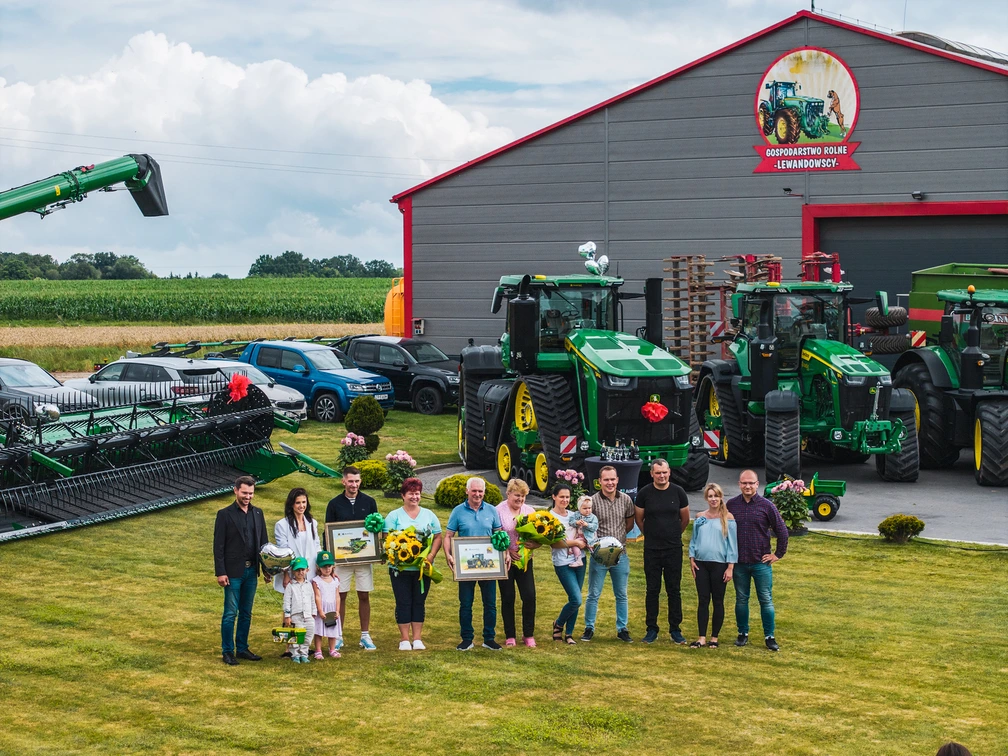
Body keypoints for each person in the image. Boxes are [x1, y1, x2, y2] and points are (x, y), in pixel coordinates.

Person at [444, 477, 508, 651]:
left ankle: (489, 638)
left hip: (489, 566)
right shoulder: (458, 511)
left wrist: (506, 554)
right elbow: (449, 536)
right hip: (466, 567)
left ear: (484, 492)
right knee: (466, 603)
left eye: (480, 491)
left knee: (490, 604)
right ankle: (467, 638)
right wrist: (448, 555)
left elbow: (500, 535)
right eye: (474, 491)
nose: (477, 494)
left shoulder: (492, 511)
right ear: (467, 491)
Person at [727, 469, 788, 652]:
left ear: (757, 484)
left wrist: (778, 554)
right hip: (739, 563)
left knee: (766, 600)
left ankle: (769, 636)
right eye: (744, 483)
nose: (747, 486)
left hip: (761, 563)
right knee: (741, 599)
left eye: (751, 483)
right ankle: (742, 633)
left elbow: (782, 530)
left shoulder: (766, 505)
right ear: (739, 484)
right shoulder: (731, 505)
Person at [634, 458, 691, 645]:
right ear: (651, 474)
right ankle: (651, 629)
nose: (661, 476)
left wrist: (672, 534)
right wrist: (651, 535)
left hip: (673, 548)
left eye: (664, 472)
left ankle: (675, 629)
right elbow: (639, 520)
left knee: (674, 590)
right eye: (658, 473)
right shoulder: (644, 493)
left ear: (669, 472)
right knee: (652, 590)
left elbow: (684, 519)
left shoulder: (679, 492)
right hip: (652, 549)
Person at [213, 475, 268, 666]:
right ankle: (227, 651)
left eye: (251, 493)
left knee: (246, 612)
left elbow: (264, 545)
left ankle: (242, 648)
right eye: (244, 493)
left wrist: (267, 570)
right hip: (232, 572)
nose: (248, 497)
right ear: (235, 490)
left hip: (252, 571)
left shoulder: (258, 514)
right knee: (230, 613)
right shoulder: (225, 514)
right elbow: (218, 546)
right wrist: (221, 572)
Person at [383, 477, 443, 651]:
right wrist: (399, 556)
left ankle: (417, 638)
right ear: (403, 495)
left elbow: (438, 536)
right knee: (403, 602)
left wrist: (430, 556)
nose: (414, 497)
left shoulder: (429, 515)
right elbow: (387, 539)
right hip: (399, 569)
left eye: (417, 493)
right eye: (411, 493)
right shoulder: (394, 516)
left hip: (421, 568)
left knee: (419, 601)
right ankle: (404, 639)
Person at [325, 466, 379, 651]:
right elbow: (328, 533)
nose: (354, 484)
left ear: (360, 481)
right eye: (350, 481)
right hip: (342, 559)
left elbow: (375, 530)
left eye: (357, 481)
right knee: (340, 596)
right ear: (343, 481)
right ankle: (338, 635)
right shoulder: (334, 504)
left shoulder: (369, 502)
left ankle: (365, 635)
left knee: (364, 594)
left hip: (364, 559)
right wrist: (329, 561)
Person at [582, 465, 635, 643]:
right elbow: (588, 526)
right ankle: (589, 627)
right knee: (593, 593)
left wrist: (617, 541)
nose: (610, 483)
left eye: (613, 479)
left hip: (621, 554)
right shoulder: (593, 501)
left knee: (621, 594)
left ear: (617, 480)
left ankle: (622, 628)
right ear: (600, 481)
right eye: (606, 479)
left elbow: (629, 524)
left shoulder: (626, 500)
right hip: (600, 556)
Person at [688, 482, 738, 648]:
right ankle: (701, 636)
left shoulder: (728, 518)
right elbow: (694, 540)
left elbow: (732, 544)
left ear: (721, 497)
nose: (713, 499)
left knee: (718, 600)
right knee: (703, 600)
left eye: (716, 496)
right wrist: (692, 558)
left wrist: (730, 567)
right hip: (701, 564)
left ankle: (714, 637)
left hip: (719, 565)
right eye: (710, 496)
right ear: (706, 498)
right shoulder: (700, 517)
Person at [495, 478, 539, 648]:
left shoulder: (530, 511)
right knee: (508, 597)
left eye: (522, 496)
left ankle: (528, 634)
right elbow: (496, 535)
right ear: (508, 494)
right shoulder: (498, 510)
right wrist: (507, 550)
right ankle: (510, 635)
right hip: (505, 560)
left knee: (529, 596)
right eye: (516, 496)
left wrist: (536, 544)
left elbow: (539, 535)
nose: (519, 499)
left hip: (526, 560)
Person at [550, 485, 588, 645]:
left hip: (580, 560)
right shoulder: (549, 518)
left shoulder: (574, 516)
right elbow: (555, 543)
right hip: (562, 563)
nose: (565, 500)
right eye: (561, 497)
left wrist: (584, 542)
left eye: (567, 497)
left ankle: (569, 634)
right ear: (554, 497)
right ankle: (558, 623)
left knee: (575, 597)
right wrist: (575, 543)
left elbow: (585, 534)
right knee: (576, 599)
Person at [272, 488, 322, 594]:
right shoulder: (282, 525)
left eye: (304, 502)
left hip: (311, 571)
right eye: (298, 503)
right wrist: (286, 574)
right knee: (292, 606)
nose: (301, 506)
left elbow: (317, 546)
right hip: (292, 573)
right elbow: (283, 553)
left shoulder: (312, 523)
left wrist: (320, 567)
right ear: (291, 504)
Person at [283, 556, 317, 663]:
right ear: (293, 571)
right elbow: (286, 602)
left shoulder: (309, 585)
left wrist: (313, 612)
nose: (300, 572)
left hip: (308, 615)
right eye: (297, 570)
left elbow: (312, 599)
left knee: (308, 635)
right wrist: (287, 616)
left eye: (302, 570)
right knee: (296, 636)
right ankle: (295, 654)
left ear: (307, 570)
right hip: (296, 615)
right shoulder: (290, 586)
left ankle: (304, 653)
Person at [312, 550, 342, 659]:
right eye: (324, 566)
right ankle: (318, 650)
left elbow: (337, 596)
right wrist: (320, 610)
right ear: (319, 567)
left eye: (329, 566)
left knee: (332, 629)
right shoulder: (316, 581)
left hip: (332, 608)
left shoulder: (335, 580)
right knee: (318, 630)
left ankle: (332, 649)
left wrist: (337, 610)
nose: (327, 569)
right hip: (322, 608)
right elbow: (317, 596)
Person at [566, 496, 598, 568]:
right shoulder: (576, 515)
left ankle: (597, 559)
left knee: (594, 549)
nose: (587, 510)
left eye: (589, 508)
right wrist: (576, 522)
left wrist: (587, 525)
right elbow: (571, 521)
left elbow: (595, 527)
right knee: (575, 545)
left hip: (590, 538)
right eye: (585, 508)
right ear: (579, 508)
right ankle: (578, 559)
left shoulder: (593, 517)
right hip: (579, 537)